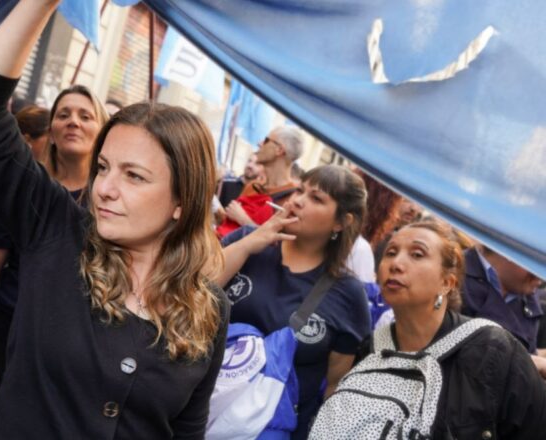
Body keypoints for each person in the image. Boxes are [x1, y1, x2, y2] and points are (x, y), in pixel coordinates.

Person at [0, 1, 229, 438]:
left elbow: (187, 429)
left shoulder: (209, 308)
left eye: (133, 175)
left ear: (182, 200)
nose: (105, 188)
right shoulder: (57, 231)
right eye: (103, 168)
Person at [0, 86, 106, 438]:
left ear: (102, 131)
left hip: (77, 348)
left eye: (85, 116)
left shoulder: (112, 201)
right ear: (51, 130)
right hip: (9, 334)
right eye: (64, 114)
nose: (73, 121)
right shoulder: (23, 189)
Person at [352, 221, 546, 438]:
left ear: (447, 282)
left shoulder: (492, 348)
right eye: (390, 252)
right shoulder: (370, 350)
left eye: (417, 254)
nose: (396, 264)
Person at [217, 164, 370, 440]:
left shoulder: (348, 293)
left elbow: (333, 386)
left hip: (273, 429)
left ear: (341, 222)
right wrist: (251, 242)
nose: (297, 200)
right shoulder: (247, 243)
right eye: (300, 190)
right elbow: (195, 290)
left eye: (316, 198)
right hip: (202, 409)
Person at [462, 244, 546, 377]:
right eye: (536, 260)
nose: (540, 276)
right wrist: (529, 362)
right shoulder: (454, 277)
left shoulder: (527, 294)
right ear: (506, 250)